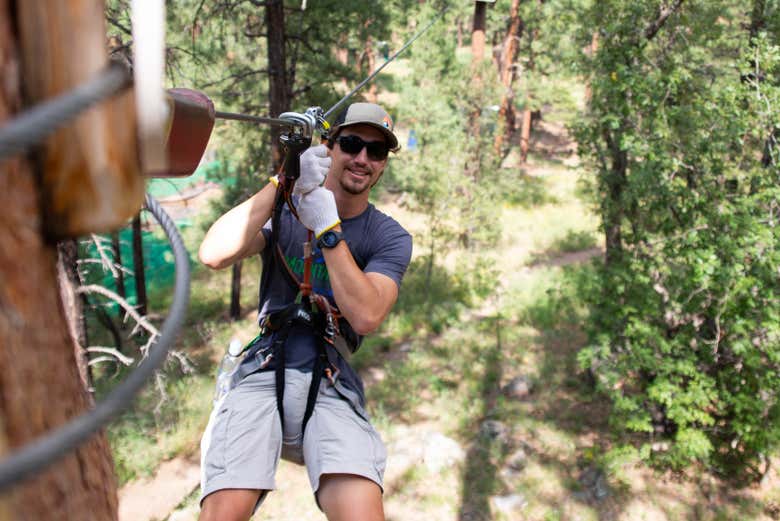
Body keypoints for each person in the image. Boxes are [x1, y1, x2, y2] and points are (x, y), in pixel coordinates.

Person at [197, 102, 413, 521]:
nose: (362, 159)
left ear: (384, 165)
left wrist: (330, 231)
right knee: (222, 514)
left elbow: (367, 316)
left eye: (376, 151)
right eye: (351, 144)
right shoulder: (284, 209)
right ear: (330, 147)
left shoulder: (389, 237)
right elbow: (213, 254)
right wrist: (284, 182)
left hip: (330, 375)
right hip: (264, 366)